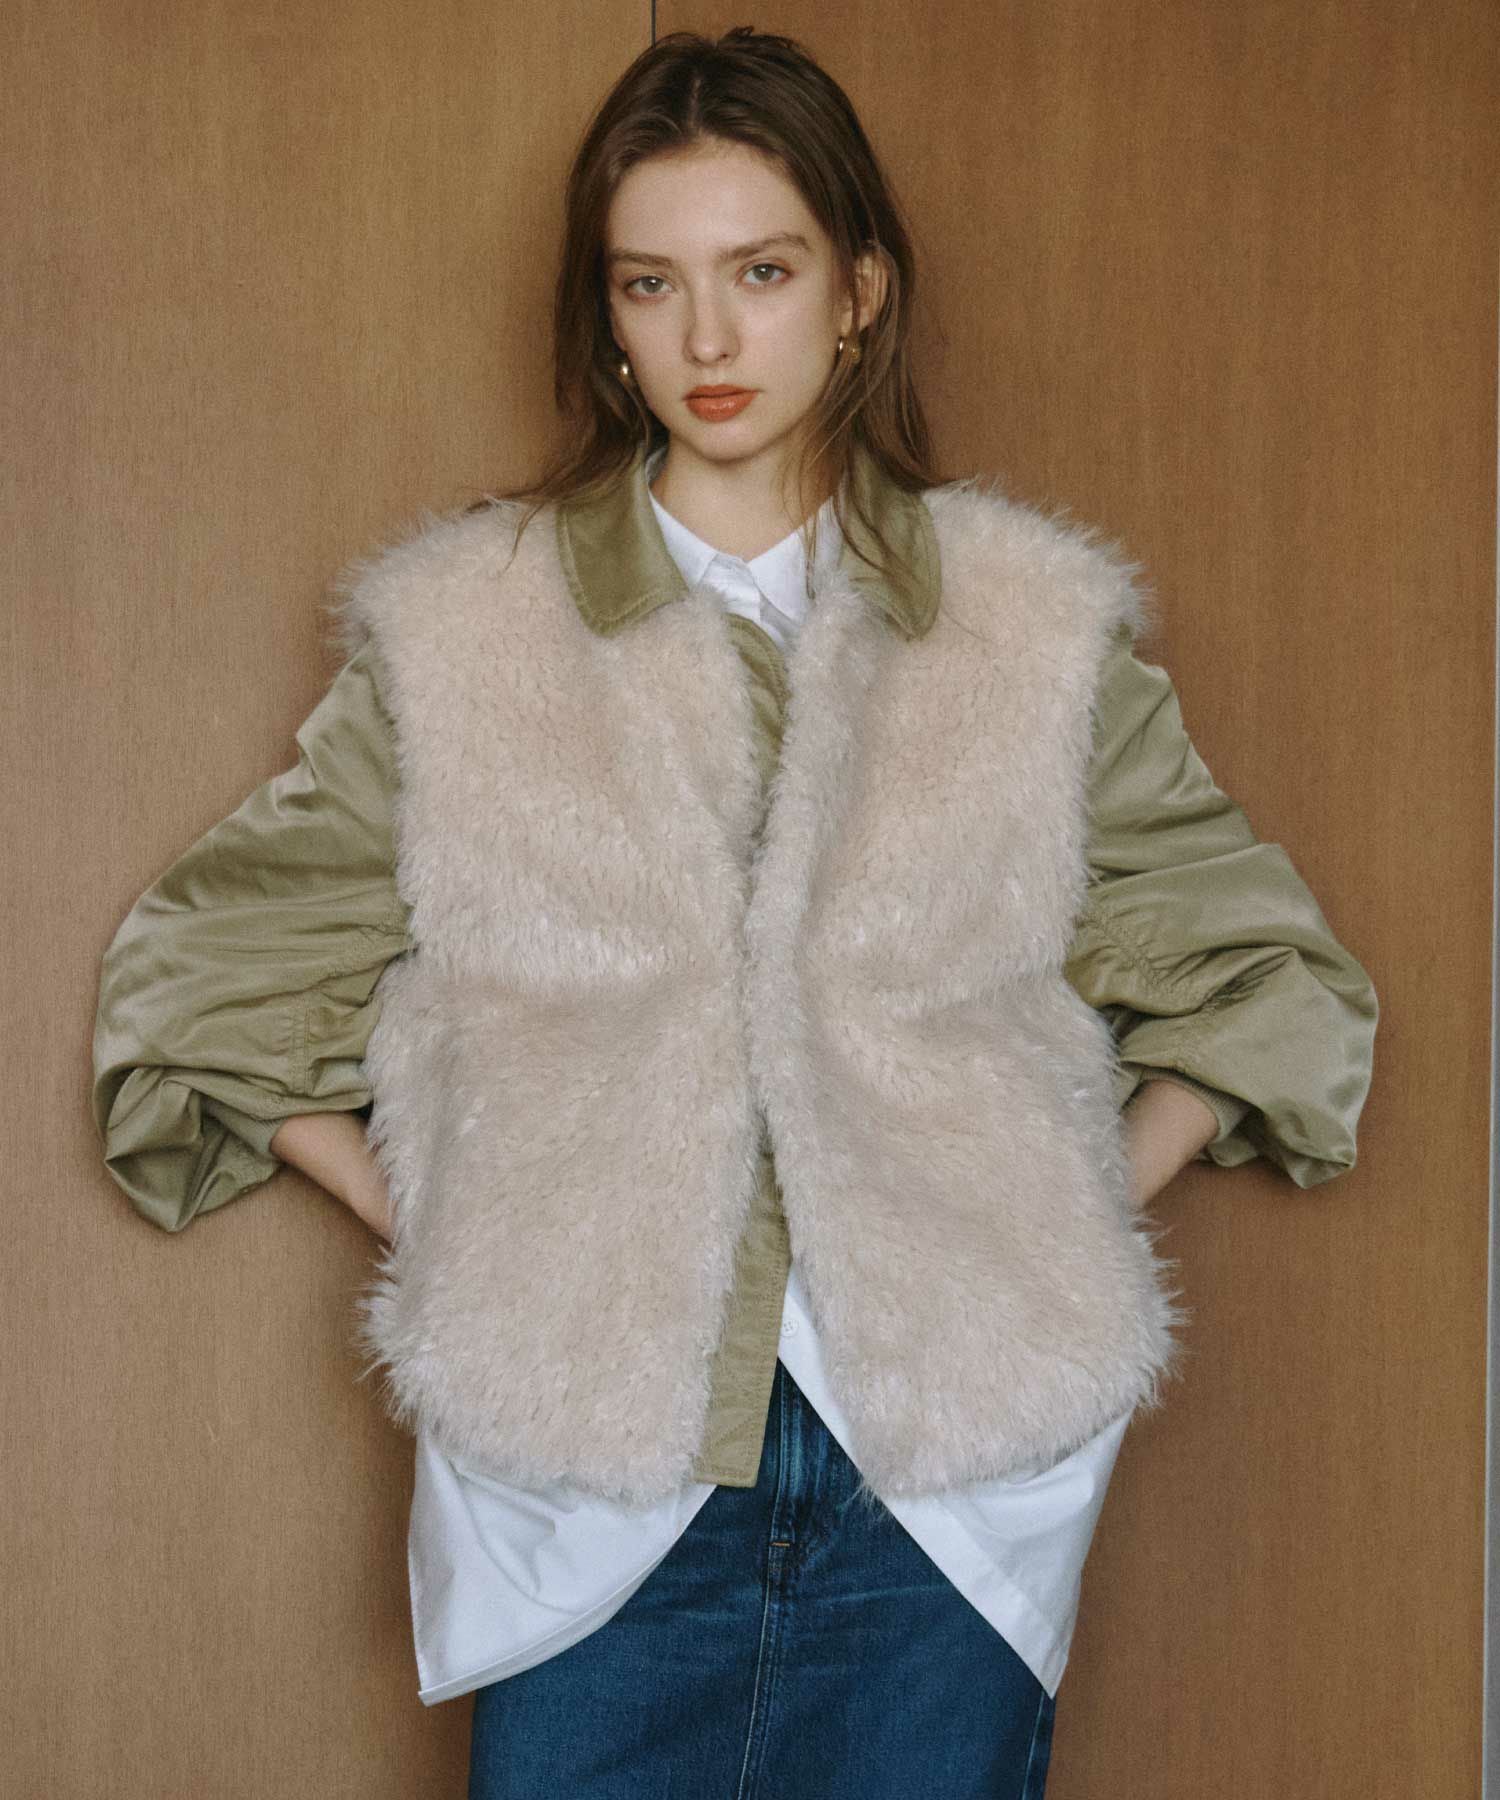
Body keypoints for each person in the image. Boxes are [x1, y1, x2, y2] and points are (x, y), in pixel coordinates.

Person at [91, 27, 1377, 1800]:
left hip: (947, 1492)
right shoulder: (465, 632)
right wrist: (466, 1234)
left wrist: (1055, 1220)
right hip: (593, 1490)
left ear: (858, 292)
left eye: (759, 274)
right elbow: (201, 982)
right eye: (652, 283)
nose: (707, 339)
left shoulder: (1027, 626)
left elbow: (1270, 978)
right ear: (607, 317)